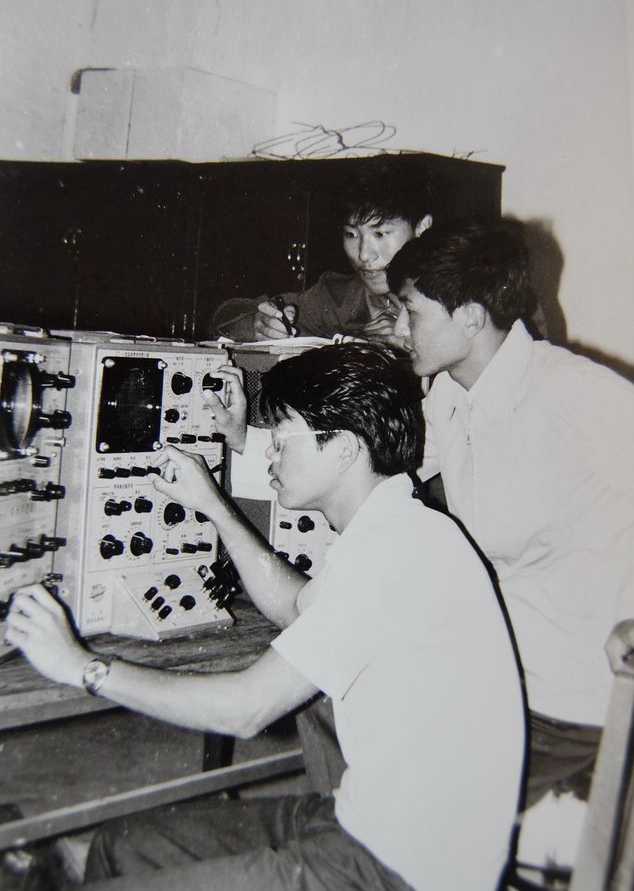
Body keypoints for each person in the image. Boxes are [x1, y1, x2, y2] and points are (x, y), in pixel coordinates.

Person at [6, 343, 525, 891]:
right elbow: (296, 606)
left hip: (403, 871)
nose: (270, 456)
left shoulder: (396, 552)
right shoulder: (397, 526)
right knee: (121, 847)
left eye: (282, 440)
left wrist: (84, 668)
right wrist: (215, 506)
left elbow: (246, 710)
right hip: (364, 823)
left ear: (344, 448)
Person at [386, 218, 634, 811]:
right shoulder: (449, 393)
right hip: (499, 669)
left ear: (471, 317)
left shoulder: (574, 393)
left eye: (411, 312)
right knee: (339, 699)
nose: (398, 330)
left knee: (409, 804)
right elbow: (380, 465)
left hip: (571, 697)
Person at [210, 167, 433, 345]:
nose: (364, 254)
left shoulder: (455, 291)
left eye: (380, 233)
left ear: (422, 229)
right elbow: (226, 315)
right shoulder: (342, 297)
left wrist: (413, 343)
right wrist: (258, 325)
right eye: (351, 234)